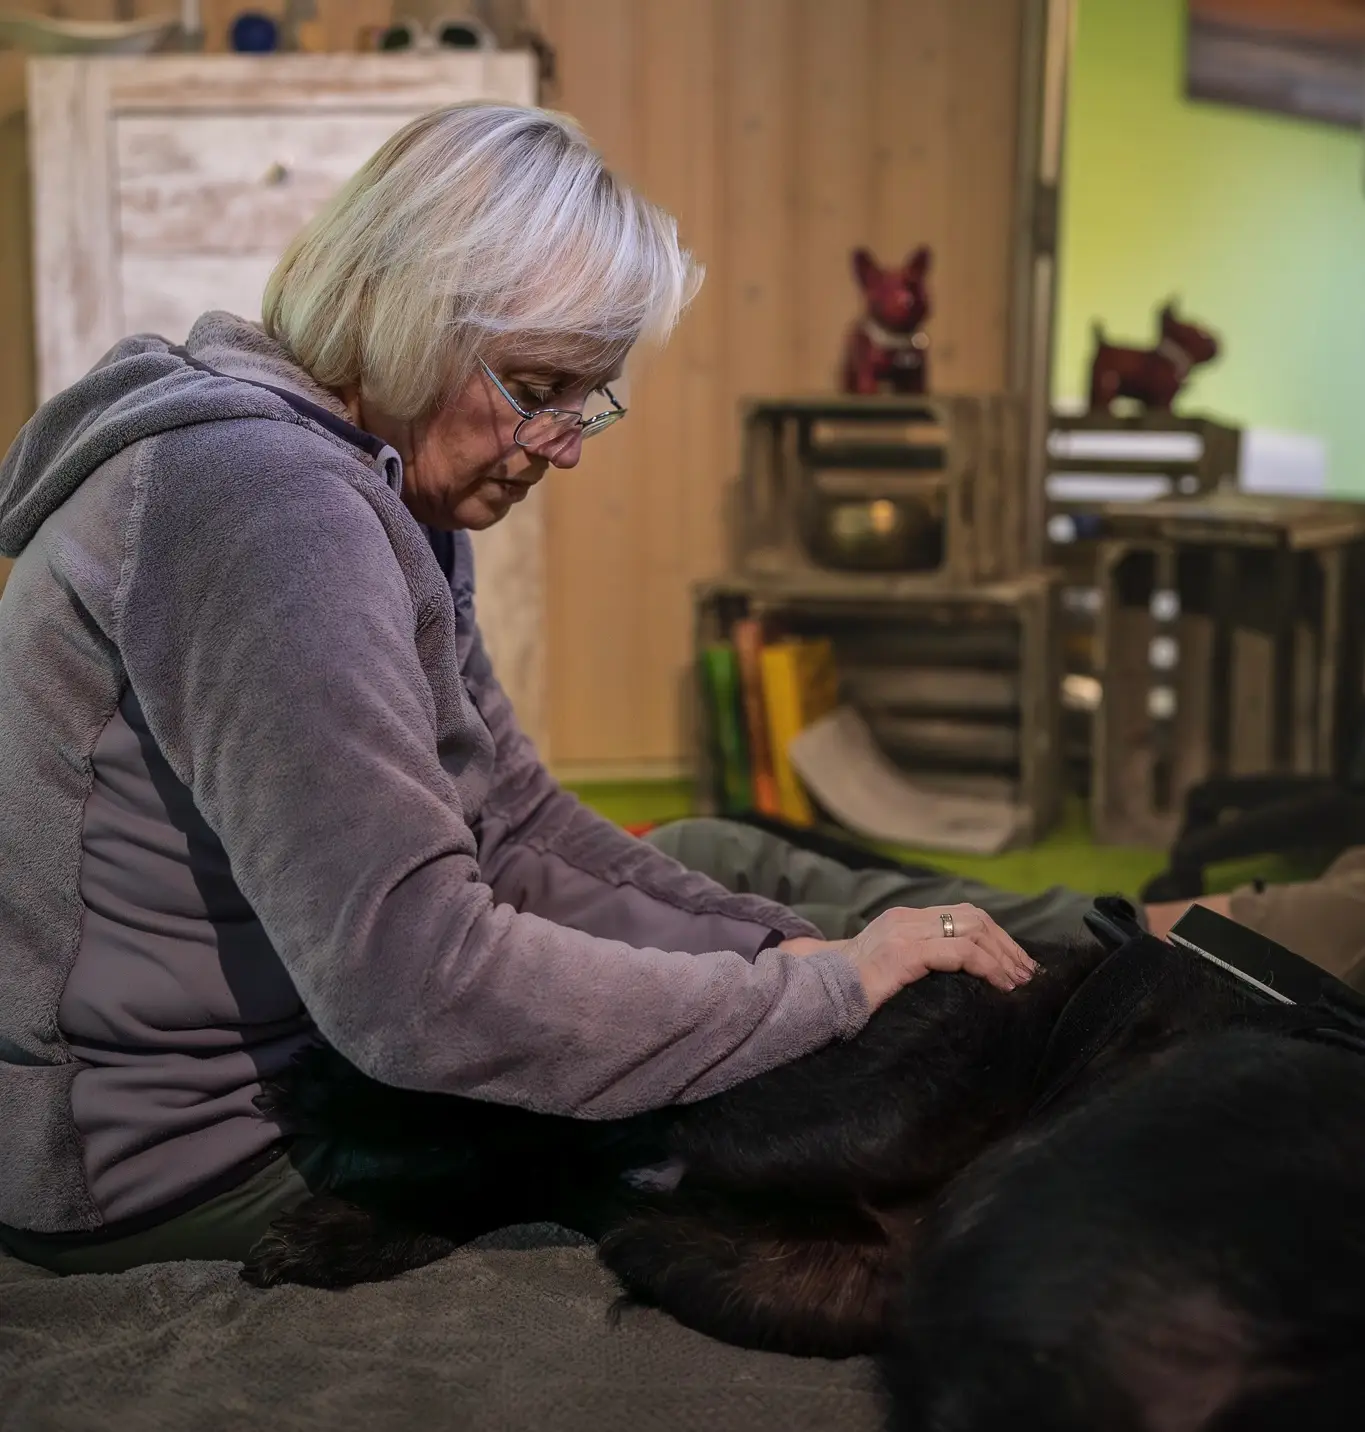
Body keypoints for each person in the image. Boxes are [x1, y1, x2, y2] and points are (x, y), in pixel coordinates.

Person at [0, 103, 1079, 1276]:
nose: (564, 445)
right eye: (535, 386)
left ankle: (1101, 944)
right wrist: (804, 997)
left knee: (750, 902)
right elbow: (417, 984)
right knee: (791, 1182)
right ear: (404, 313)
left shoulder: (376, 487)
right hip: (167, 1160)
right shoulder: (266, 505)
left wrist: (813, 958)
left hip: (310, 1072)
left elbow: (508, 825)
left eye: (587, 398)